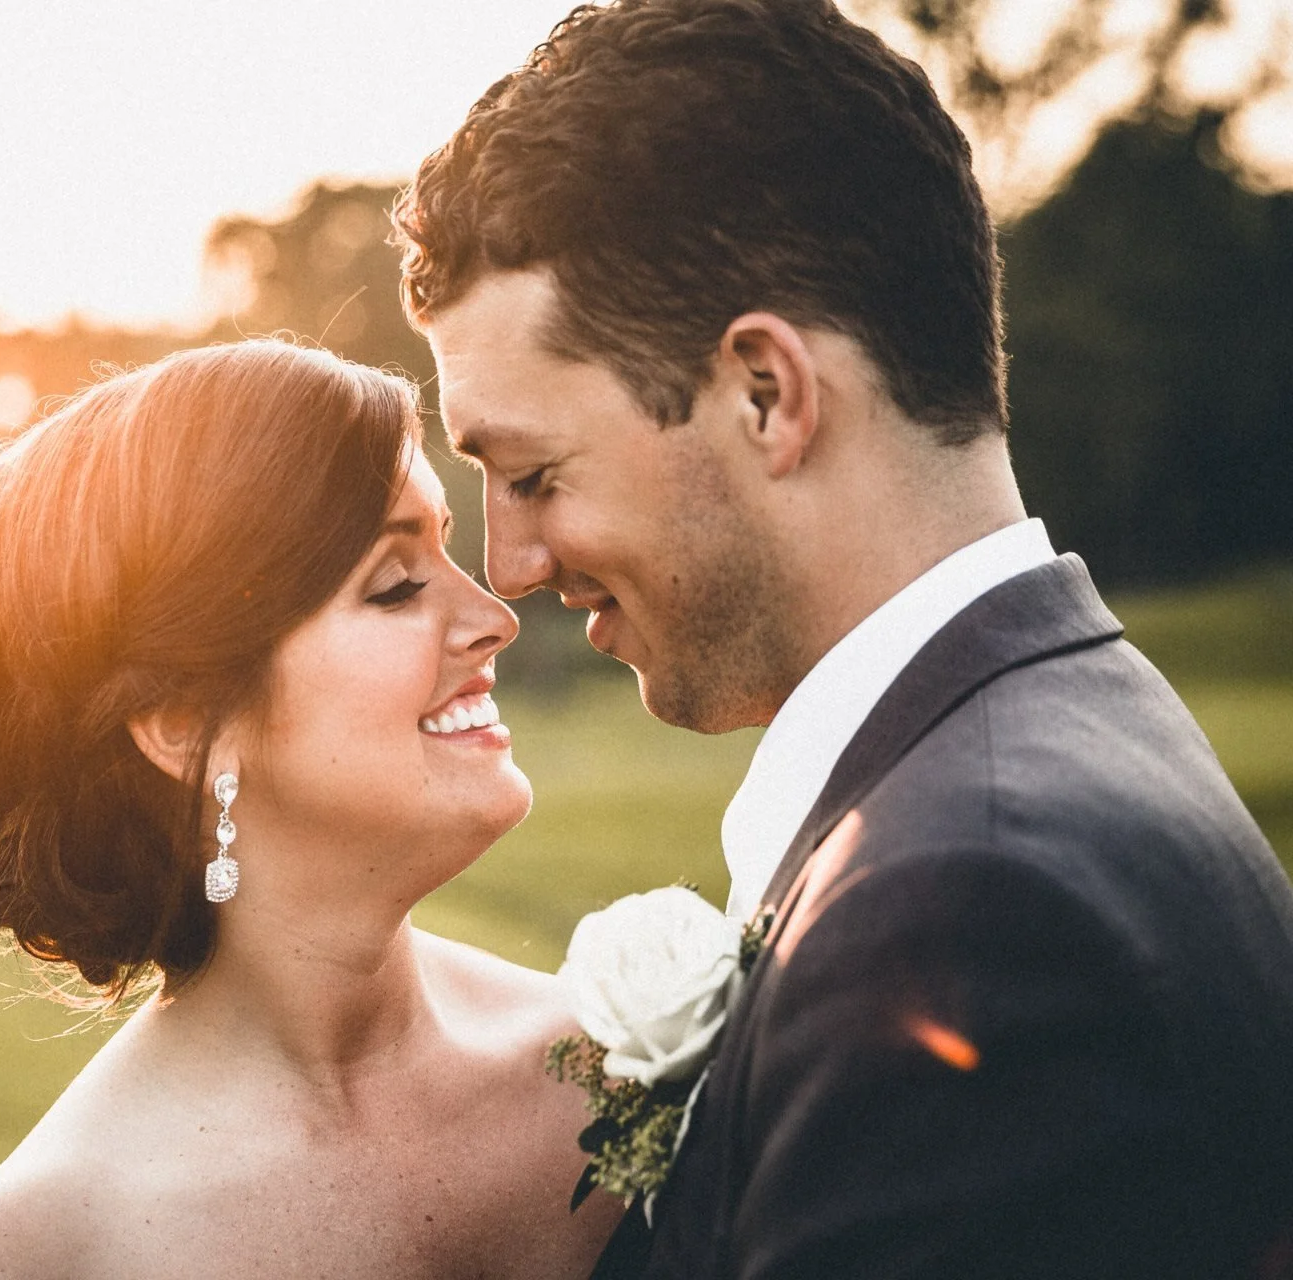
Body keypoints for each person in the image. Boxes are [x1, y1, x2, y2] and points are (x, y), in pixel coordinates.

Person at [393, 1, 1293, 1277]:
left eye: (534, 471)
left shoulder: (974, 909)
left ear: (768, 394)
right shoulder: (1075, 722)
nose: (512, 566)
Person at [0, 340, 623, 1279]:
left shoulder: (615, 1062)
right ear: (187, 718)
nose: (495, 617)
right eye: (396, 585)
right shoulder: (33, 1254)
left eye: (447, 548)